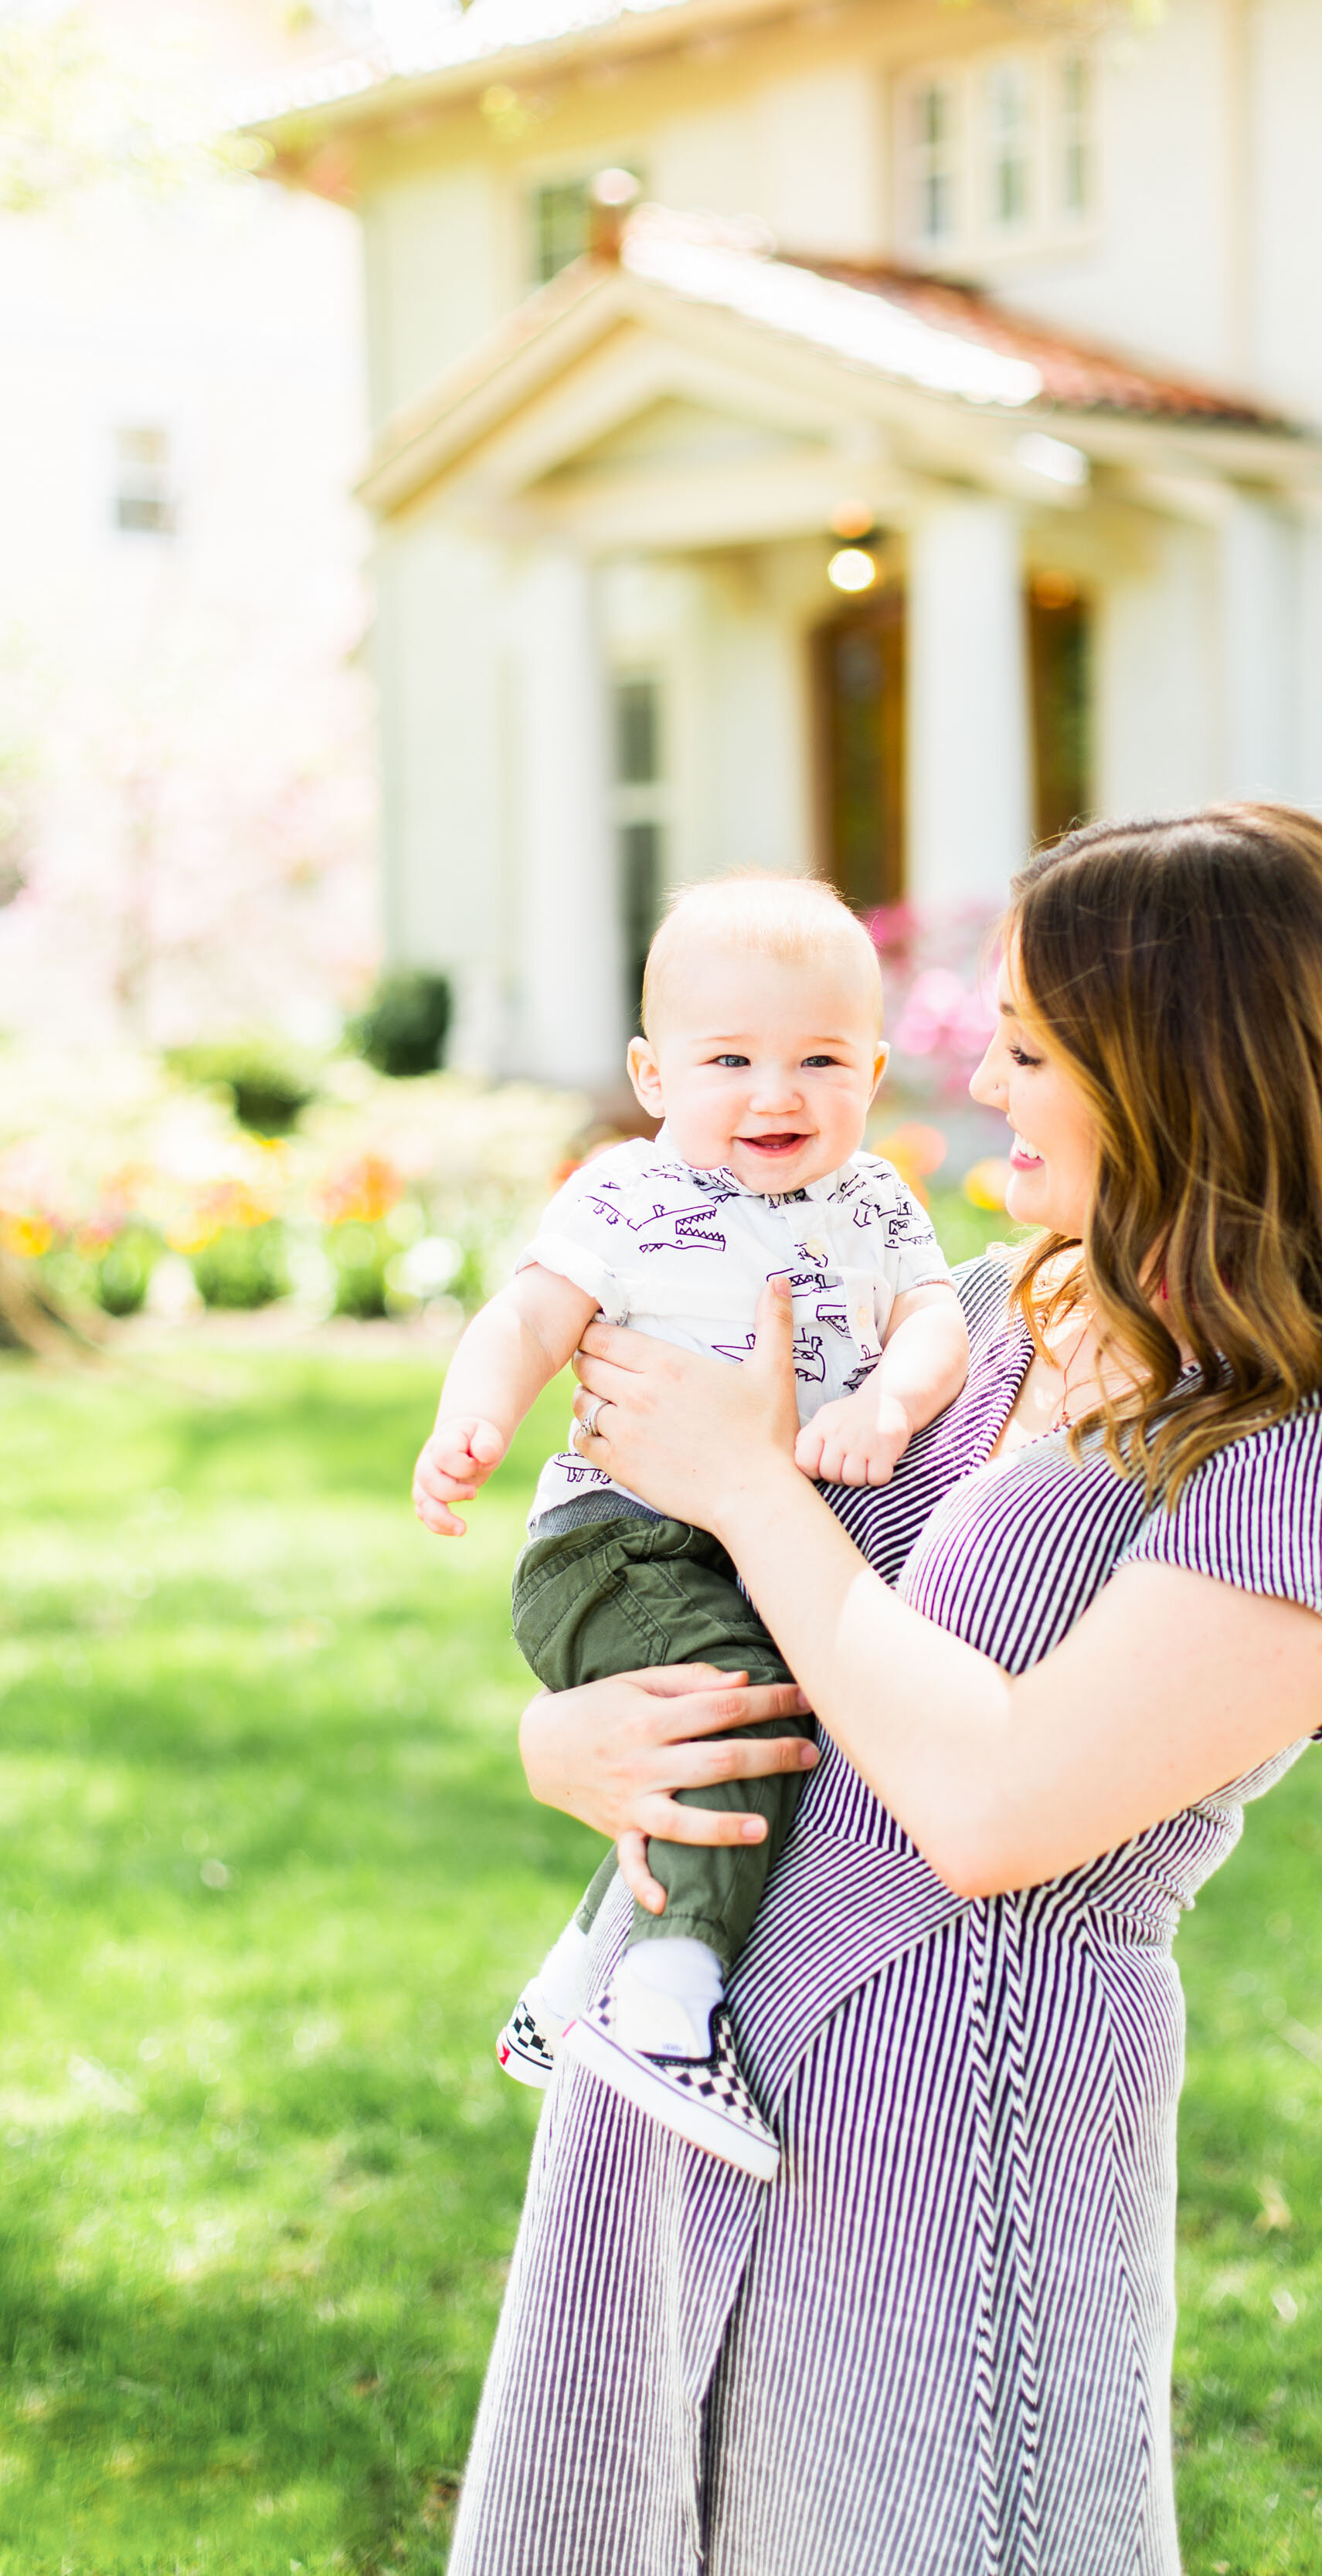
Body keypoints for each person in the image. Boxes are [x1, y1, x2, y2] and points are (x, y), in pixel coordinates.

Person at [447, 806, 1322, 2576]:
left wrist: (750, 1484)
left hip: (946, 2179)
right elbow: (701, 1596)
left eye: (1026, 1046)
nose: (974, 1076)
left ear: (1179, 1073)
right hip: (674, 2096)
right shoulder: (983, 1317)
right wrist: (566, 1739)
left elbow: (997, 1804)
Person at [411, 874, 967, 2174]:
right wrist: (473, 1419)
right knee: (743, 1715)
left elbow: (933, 1324)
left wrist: (887, 1405)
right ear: (652, 1074)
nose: (776, 1095)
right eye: (731, 1060)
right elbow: (530, 1319)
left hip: (759, 1542)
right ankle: (664, 2003)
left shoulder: (878, 1202)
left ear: (874, 1072)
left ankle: (568, 1991)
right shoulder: (622, 1197)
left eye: (819, 1060)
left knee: (720, 1735)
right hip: (623, 1541)